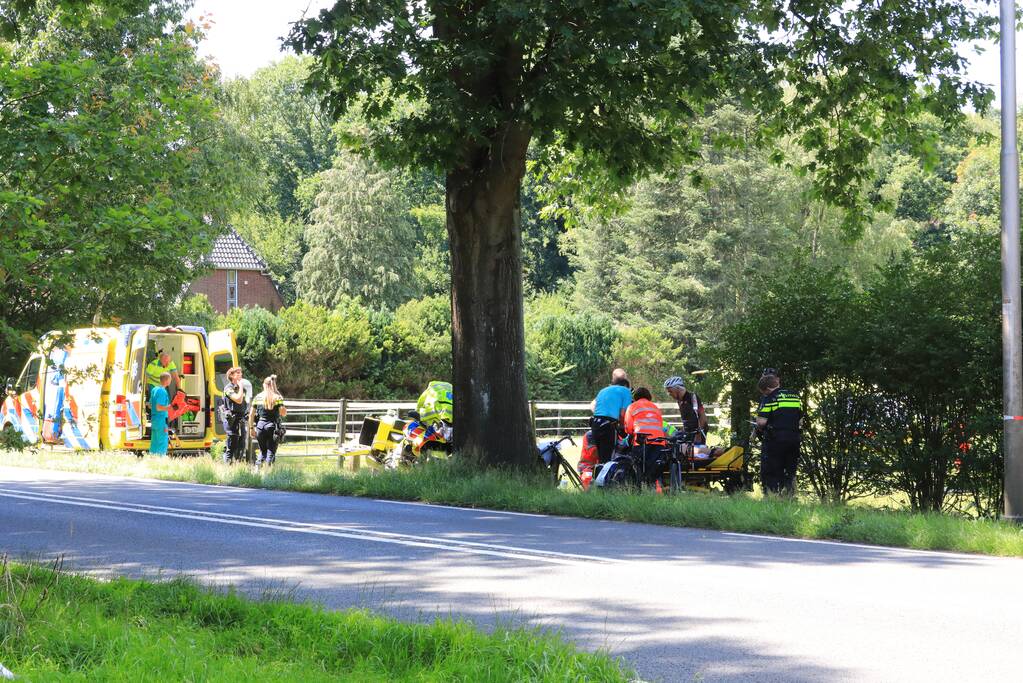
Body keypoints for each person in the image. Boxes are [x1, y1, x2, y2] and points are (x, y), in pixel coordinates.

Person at [755, 370, 803, 495]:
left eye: (763, 392)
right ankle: (789, 495)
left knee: (772, 470)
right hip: (794, 439)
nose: (764, 394)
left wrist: (758, 426)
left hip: (776, 440)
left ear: (767, 389)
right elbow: (800, 420)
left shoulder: (770, 398)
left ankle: (772, 496)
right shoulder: (795, 396)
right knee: (790, 470)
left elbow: (761, 422)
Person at [589, 368, 632, 464]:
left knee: (600, 456)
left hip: (595, 423)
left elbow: (592, 406)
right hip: (609, 425)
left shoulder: (603, 390)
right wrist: (623, 428)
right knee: (608, 457)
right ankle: (605, 473)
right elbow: (623, 414)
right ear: (626, 383)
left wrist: (603, 412)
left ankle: (598, 472)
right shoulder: (626, 391)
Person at [249, 375, 287, 468]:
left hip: (260, 427)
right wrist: (280, 397)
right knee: (271, 451)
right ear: (273, 385)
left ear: (264, 385)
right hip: (272, 427)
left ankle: (257, 469)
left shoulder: (258, 397)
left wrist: (251, 428)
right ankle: (268, 471)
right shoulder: (277, 397)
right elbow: (283, 413)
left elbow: (251, 414)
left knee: (263, 451)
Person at [663, 375, 708, 445]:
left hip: (698, 432)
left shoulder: (692, 397)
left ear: (678, 388)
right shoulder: (679, 401)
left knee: (697, 451)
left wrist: (698, 435)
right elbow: (686, 419)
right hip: (687, 432)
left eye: (670, 391)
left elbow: (702, 417)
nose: (669, 394)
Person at [220, 367, 248, 464]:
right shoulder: (228, 388)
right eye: (238, 373)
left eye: (241, 373)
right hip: (232, 420)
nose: (241, 375)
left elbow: (244, 404)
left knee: (241, 446)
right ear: (231, 375)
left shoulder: (241, 389)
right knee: (231, 446)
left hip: (240, 420)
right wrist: (241, 386)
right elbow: (238, 400)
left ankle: (237, 466)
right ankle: (227, 466)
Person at [148, 372, 172, 457]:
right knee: (162, 442)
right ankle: (161, 460)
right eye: (170, 379)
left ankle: (152, 458)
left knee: (154, 442)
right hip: (161, 420)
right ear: (167, 380)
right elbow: (158, 407)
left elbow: (150, 405)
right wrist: (170, 407)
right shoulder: (162, 391)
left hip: (154, 420)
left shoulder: (154, 389)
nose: (170, 381)